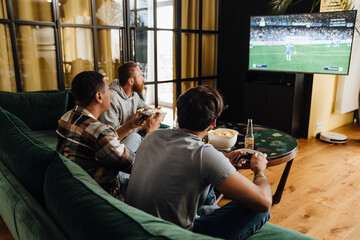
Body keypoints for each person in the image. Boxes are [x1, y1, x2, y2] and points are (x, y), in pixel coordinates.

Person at [125, 86, 272, 240]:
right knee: (260, 210)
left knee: (205, 179)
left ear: (178, 113)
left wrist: (223, 161)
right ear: (213, 122)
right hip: (174, 235)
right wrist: (259, 170)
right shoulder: (204, 155)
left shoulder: (151, 136)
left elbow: (184, 160)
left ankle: (204, 212)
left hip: (137, 226)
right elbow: (264, 202)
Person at [56, 71, 161, 199]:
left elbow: (104, 142)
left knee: (135, 137)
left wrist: (129, 125)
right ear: (99, 96)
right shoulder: (101, 132)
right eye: (107, 90)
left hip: (77, 181)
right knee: (157, 176)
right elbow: (139, 167)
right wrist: (151, 132)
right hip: (103, 191)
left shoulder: (65, 118)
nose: (110, 93)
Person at [98, 61, 156, 148]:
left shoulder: (133, 95)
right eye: (140, 76)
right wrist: (141, 128)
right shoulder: (112, 99)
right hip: (115, 144)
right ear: (131, 81)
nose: (143, 79)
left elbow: (144, 107)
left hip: (130, 136)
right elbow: (112, 135)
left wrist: (156, 112)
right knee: (137, 138)